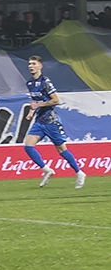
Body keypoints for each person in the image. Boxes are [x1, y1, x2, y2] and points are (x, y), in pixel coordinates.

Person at [23, 55, 86, 189]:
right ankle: (47, 170)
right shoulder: (29, 83)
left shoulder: (46, 81)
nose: (30, 66)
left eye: (33, 63)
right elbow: (35, 102)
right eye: (29, 64)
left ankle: (79, 173)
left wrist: (38, 106)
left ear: (40, 66)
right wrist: (31, 111)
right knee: (28, 146)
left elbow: (56, 100)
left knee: (61, 149)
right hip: (39, 121)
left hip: (51, 121)